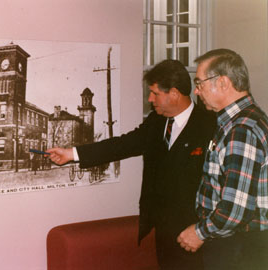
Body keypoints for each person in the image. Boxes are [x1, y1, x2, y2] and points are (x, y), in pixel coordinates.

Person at [47, 59, 216, 269]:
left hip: (198, 236)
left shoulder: (210, 125)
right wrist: (72, 153)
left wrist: (202, 230)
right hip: (162, 233)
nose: (149, 98)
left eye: (155, 93)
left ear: (173, 93)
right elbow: (122, 145)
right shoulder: (157, 121)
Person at [177, 49, 268, 270]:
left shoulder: (241, 129)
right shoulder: (244, 120)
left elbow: (236, 210)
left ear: (224, 82)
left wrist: (199, 233)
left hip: (238, 247)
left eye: (200, 83)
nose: (197, 92)